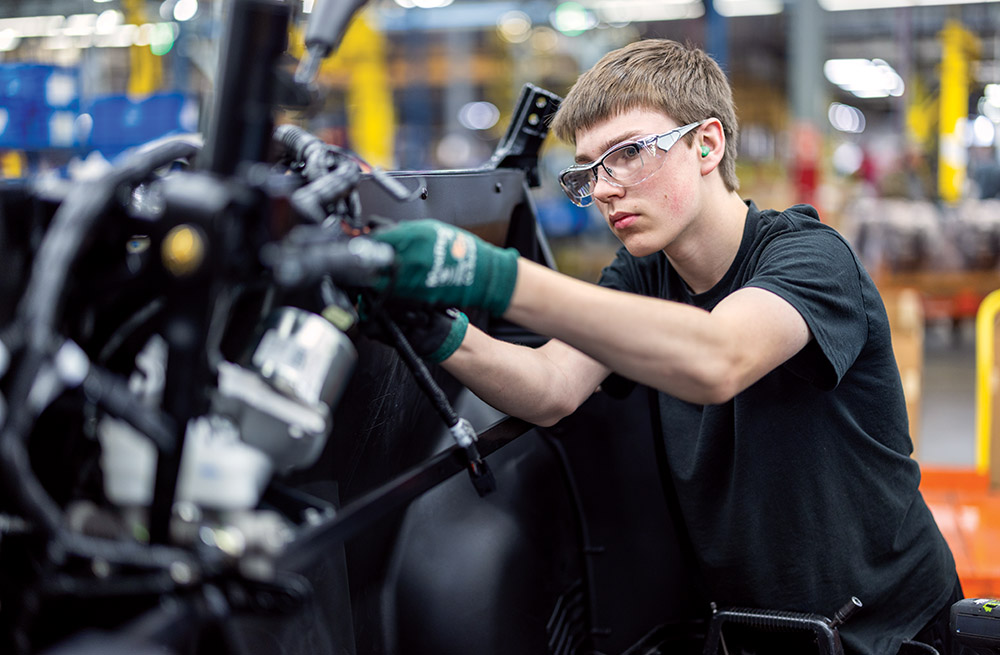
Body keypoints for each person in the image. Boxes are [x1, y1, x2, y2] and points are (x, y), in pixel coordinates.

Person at [367, 39, 961, 655]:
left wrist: (493, 276)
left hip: (890, 629)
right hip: (753, 633)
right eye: (589, 169)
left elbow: (719, 358)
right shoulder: (643, 274)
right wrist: (438, 333)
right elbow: (550, 386)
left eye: (626, 154)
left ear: (706, 144)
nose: (602, 188)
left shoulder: (810, 256)